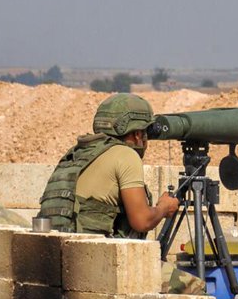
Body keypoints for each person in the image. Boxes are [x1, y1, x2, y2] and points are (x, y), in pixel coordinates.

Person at [39, 93, 180, 237]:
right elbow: (142, 221)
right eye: (146, 132)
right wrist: (164, 207)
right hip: (88, 252)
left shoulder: (78, 152)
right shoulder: (126, 155)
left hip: (53, 246)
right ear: (138, 134)